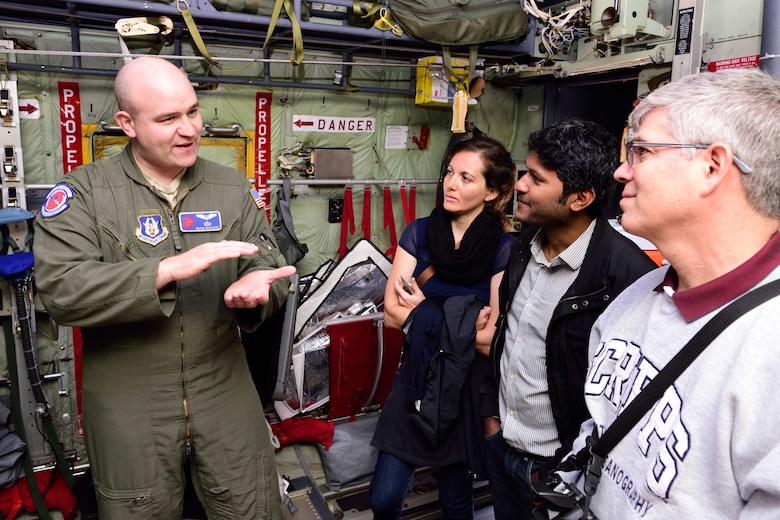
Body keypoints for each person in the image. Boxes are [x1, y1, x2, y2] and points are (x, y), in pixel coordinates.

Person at [33, 56, 296, 519]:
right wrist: (166, 269)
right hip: (127, 393)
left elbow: (269, 264)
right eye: (168, 118)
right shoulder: (85, 194)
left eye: (192, 111)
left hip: (222, 380)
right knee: (139, 509)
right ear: (126, 123)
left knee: (252, 502)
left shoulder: (230, 187)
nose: (189, 129)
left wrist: (260, 289)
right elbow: (61, 290)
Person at [559, 67, 780, 519]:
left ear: (712, 166)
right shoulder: (635, 299)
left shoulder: (768, 348)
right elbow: (599, 425)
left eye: (641, 151)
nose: (621, 172)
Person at [481, 118, 657, 520]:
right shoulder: (523, 245)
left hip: (557, 470)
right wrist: (490, 418)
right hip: (503, 450)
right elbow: (508, 340)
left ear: (579, 199)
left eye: (537, 180)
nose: (521, 184)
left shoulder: (628, 277)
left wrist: (569, 464)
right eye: (525, 172)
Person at [369, 135, 517, 520]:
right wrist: (463, 316)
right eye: (450, 173)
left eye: (466, 178)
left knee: (455, 502)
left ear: (493, 192)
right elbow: (389, 312)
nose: (451, 184)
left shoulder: (504, 248)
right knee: (383, 498)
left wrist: (422, 311)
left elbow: (493, 338)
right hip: (416, 376)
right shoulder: (418, 234)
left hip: (463, 387)